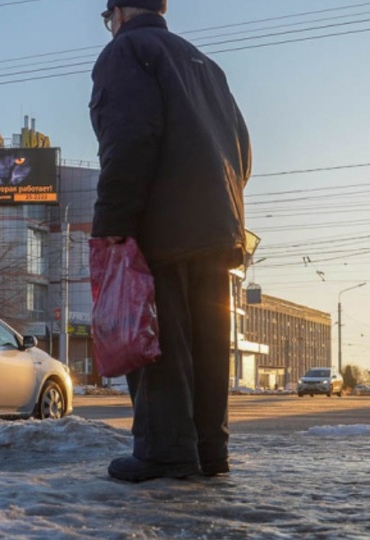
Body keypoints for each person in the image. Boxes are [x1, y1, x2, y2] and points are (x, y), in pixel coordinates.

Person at [89, 0, 252, 482]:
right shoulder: (204, 64)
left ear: (117, 12)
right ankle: (209, 452)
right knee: (206, 344)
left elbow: (129, 138)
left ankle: (165, 453)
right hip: (217, 225)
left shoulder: (128, 51)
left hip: (161, 225)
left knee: (156, 337)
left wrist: (112, 222)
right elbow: (241, 150)